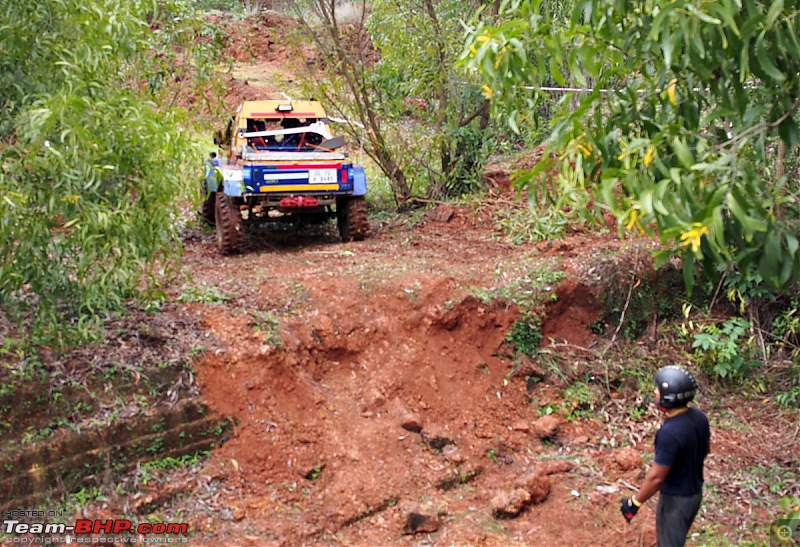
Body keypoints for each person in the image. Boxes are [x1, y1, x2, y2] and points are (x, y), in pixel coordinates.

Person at [620, 365, 710, 547]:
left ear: (669, 397)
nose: (655, 392)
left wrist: (635, 503)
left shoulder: (670, 432)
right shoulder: (699, 417)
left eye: (658, 389)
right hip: (694, 494)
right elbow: (706, 450)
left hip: (676, 501)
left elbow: (656, 477)